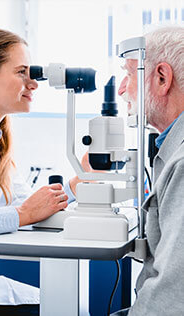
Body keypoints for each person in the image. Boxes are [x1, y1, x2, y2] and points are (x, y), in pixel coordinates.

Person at [0, 27, 83, 316]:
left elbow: (26, 204)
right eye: (22, 71)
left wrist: (79, 181)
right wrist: (23, 215)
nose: (33, 83)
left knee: (72, 307)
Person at [111, 26, 184, 315]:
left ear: (162, 78)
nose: (120, 89)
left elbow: (174, 292)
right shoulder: (171, 148)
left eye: (129, 74)